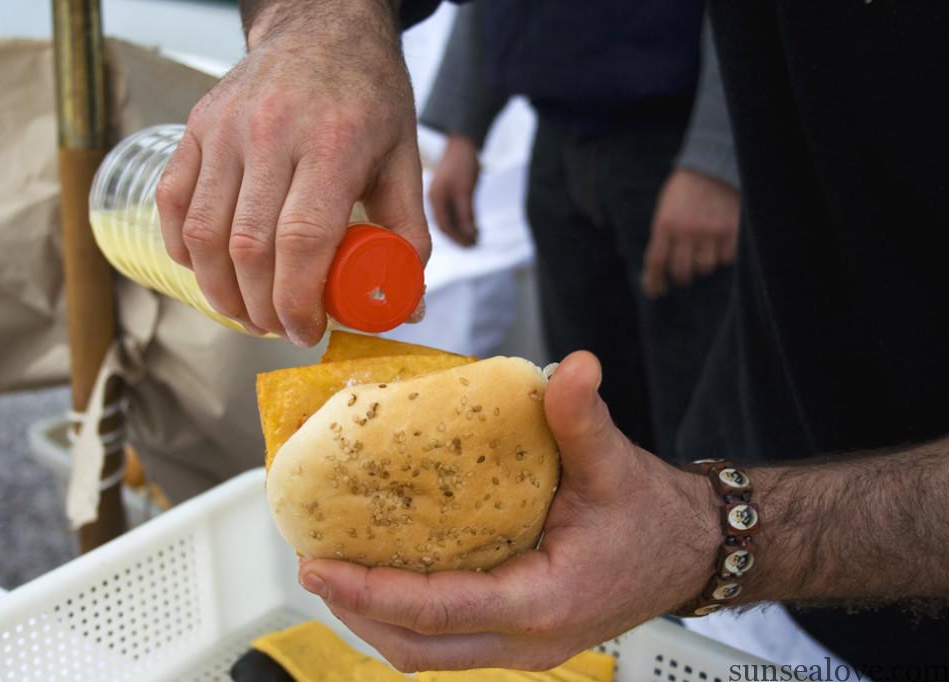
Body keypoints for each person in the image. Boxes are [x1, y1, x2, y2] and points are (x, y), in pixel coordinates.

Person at [156, 0, 949, 673]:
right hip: (763, 430)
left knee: (657, 380)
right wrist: (325, 27)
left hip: (873, 588)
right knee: (590, 389)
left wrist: (711, 534)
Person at [420, 3, 739, 458]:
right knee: (588, 409)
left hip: (676, 148)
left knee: (701, 422)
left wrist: (717, 157)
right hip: (557, 141)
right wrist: (464, 127)